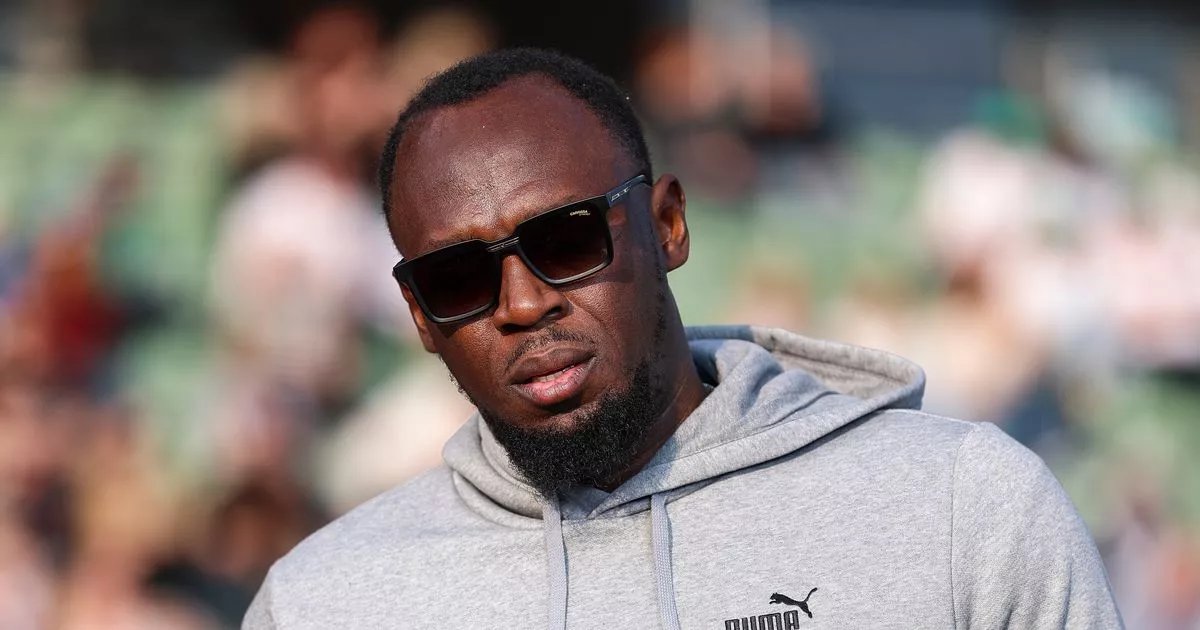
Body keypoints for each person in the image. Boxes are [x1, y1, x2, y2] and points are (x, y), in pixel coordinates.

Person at [243, 48, 1122, 629]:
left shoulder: (964, 512)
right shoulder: (322, 606)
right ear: (418, 318)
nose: (522, 303)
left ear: (667, 225)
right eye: (457, 279)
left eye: (565, 241)